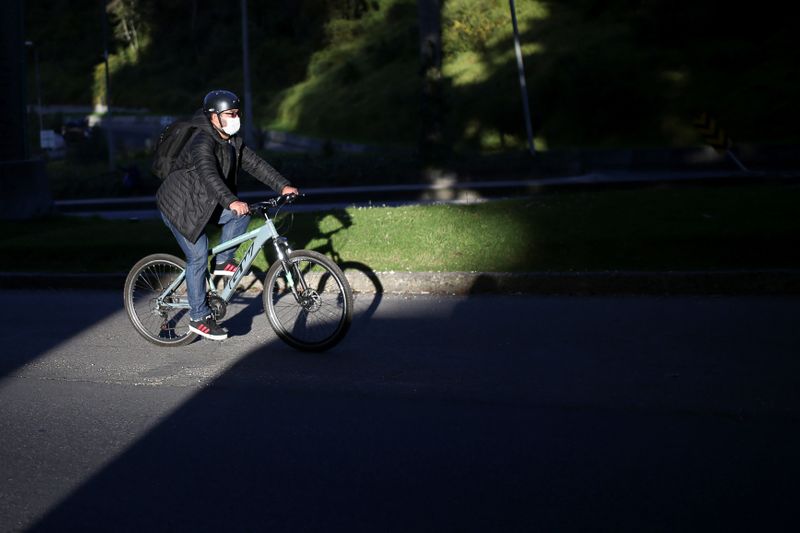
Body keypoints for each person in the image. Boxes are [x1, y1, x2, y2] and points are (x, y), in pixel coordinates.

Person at [156, 89, 299, 341]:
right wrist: (231, 201)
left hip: (203, 203)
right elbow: (209, 175)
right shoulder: (202, 142)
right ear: (214, 117)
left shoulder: (231, 141)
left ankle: (223, 261)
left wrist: (282, 185)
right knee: (198, 254)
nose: (235, 118)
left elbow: (255, 164)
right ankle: (199, 317)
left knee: (243, 214)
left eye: (236, 113)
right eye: (229, 114)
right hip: (179, 206)